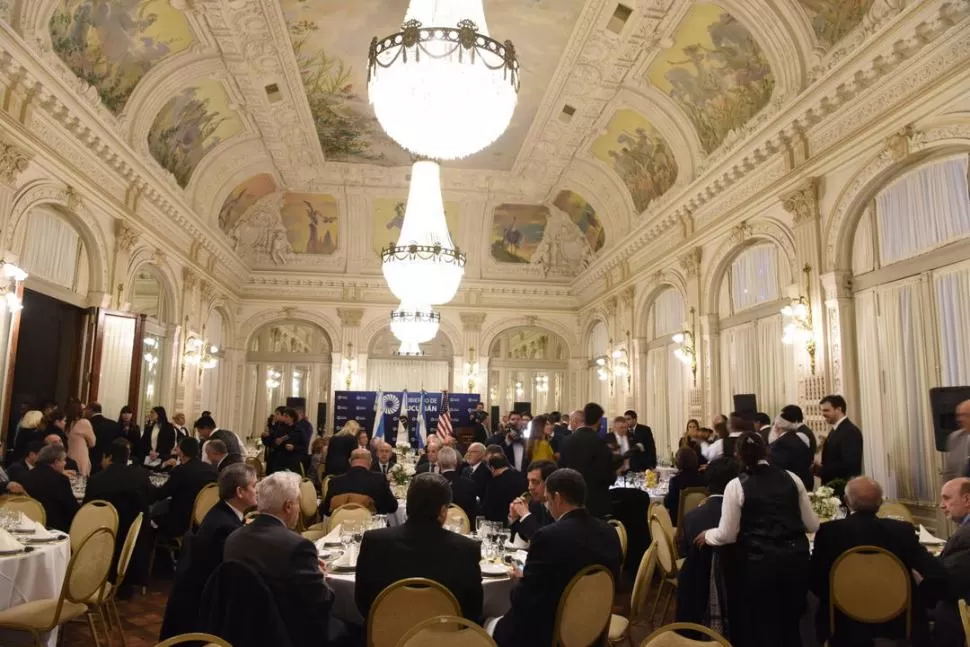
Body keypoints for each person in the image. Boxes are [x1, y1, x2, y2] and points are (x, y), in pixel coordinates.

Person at [695, 432, 819, 647]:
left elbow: (727, 534)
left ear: (737, 455)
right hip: (794, 562)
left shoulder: (736, 486)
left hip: (757, 565)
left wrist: (707, 535)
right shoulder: (792, 478)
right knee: (791, 623)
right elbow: (813, 525)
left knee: (762, 625)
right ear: (767, 451)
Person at [491, 468, 622, 647]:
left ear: (558, 498)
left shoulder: (549, 536)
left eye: (548, 499)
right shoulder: (609, 532)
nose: (547, 505)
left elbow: (524, 599)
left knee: (489, 622)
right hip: (595, 628)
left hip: (551, 633)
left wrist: (519, 582)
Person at [811, 477, 945, 646]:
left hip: (843, 623)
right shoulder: (901, 531)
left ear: (846, 501)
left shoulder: (829, 533)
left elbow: (816, 580)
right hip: (898, 619)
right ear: (880, 502)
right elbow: (933, 572)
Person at [223, 471, 349, 646]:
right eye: (298, 502)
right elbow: (322, 601)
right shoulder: (296, 546)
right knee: (352, 626)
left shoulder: (233, 539)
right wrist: (319, 576)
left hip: (241, 631)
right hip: (287, 634)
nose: (298, 508)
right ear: (288, 506)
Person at [355, 472, 483, 622]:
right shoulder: (467, 549)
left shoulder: (374, 541)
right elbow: (473, 610)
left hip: (386, 635)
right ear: (442, 511)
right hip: (446, 638)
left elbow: (363, 603)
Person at [160, 463, 257, 639]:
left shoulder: (222, 512)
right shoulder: (225, 527)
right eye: (253, 486)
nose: (257, 491)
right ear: (240, 492)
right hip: (204, 607)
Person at [84, 438, 153, 597]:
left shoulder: (97, 479)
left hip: (103, 532)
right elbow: (151, 498)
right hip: (133, 535)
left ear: (109, 457)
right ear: (128, 456)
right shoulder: (140, 476)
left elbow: (88, 508)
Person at [676, 457, 740, 627]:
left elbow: (685, 554)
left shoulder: (691, 518)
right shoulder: (745, 517)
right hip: (740, 593)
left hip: (697, 594)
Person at [151, 437, 218, 539]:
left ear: (181, 453)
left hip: (181, 522)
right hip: (205, 521)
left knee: (149, 517)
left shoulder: (181, 471)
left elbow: (161, 494)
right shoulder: (212, 470)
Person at [558, 402, 615, 518]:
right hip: (595, 501)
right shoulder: (600, 443)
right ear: (599, 420)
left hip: (571, 499)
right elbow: (606, 475)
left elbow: (561, 469)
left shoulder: (566, 441)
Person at [19, 444, 79, 532]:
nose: (65, 463)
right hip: (56, 530)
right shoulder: (60, 480)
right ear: (56, 462)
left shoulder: (24, 476)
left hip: (29, 527)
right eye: (63, 460)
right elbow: (72, 509)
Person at [320, 448, 398, 515]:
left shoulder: (334, 482)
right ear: (370, 461)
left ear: (350, 461)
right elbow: (392, 507)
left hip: (340, 528)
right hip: (370, 529)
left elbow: (325, 510)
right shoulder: (379, 479)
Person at [817, 395, 863, 484]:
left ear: (838, 409)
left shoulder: (850, 431)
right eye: (822, 410)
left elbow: (850, 464)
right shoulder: (836, 429)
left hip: (842, 486)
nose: (823, 414)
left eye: (826, 410)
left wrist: (822, 470)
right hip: (833, 484)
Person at [509, 460, 557, 543]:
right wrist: (515, 518)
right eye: (529, 481)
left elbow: (544, 541)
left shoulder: (559, 507)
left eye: (535, 482)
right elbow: (519, 541)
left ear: (549, 483)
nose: (529, 487)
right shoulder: (535, 505)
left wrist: (525, 515)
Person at [768, 412, 814, 491]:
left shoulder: (779, 444)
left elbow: (777, 469)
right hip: (805, 483)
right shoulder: (800, 440)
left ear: (777, 426)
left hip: (789, 487)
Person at [481, 447, 528, 523]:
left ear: (492, 468)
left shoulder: (495, 482)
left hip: (500, 524)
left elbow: (487, 508)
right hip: (521, 520)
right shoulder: (521, 477)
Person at [664, 447, 707, 523]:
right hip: (700, 521)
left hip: (679, 523)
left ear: (678, 462)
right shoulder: (704, 479)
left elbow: (669, 503)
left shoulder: (675, 481)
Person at [437, 446, 479, 520]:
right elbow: (473, 513)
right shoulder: (470, 484)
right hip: (464, 527)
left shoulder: (433, 485)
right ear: (455, 462)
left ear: (438, 463)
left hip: (439, 528)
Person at [84, 402, 119, 475]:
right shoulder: (113, 424)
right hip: (109, 460)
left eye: (85, 409)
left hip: (92, 460)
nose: (84, 412)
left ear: (90, 410)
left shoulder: (88, 424)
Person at [65, 399, 95, 477]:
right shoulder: (84, 422)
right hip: (81, 457)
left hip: (70, 456)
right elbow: (92, 443)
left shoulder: (69, 424)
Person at [943, 400, 970, 481]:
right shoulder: (954, 438)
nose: (960, 419)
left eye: (965, 415)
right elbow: (949, 472)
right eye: (958, 415)